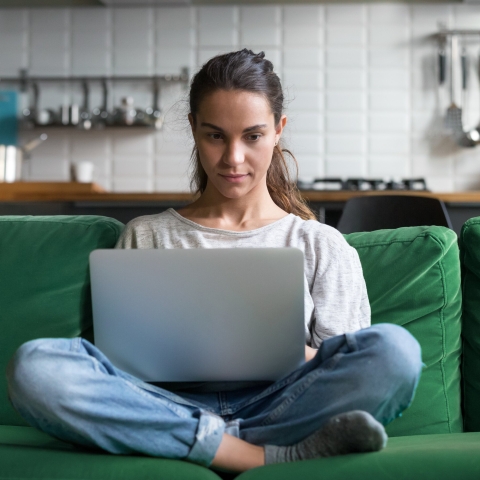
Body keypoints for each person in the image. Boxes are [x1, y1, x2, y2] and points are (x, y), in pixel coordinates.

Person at [6, 49, 422, 473]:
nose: (233, 158)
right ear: (193, 128)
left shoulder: (319, 243)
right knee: (36, 367)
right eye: (216, 135)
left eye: (253, 136)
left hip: (280, 405)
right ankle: (253, 454)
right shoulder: (146, 234)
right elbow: (121, 365)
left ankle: (189, 444)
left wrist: (279, 350)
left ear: (279, 131)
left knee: (396, 351)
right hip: (166, 404)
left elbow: (343, 362)